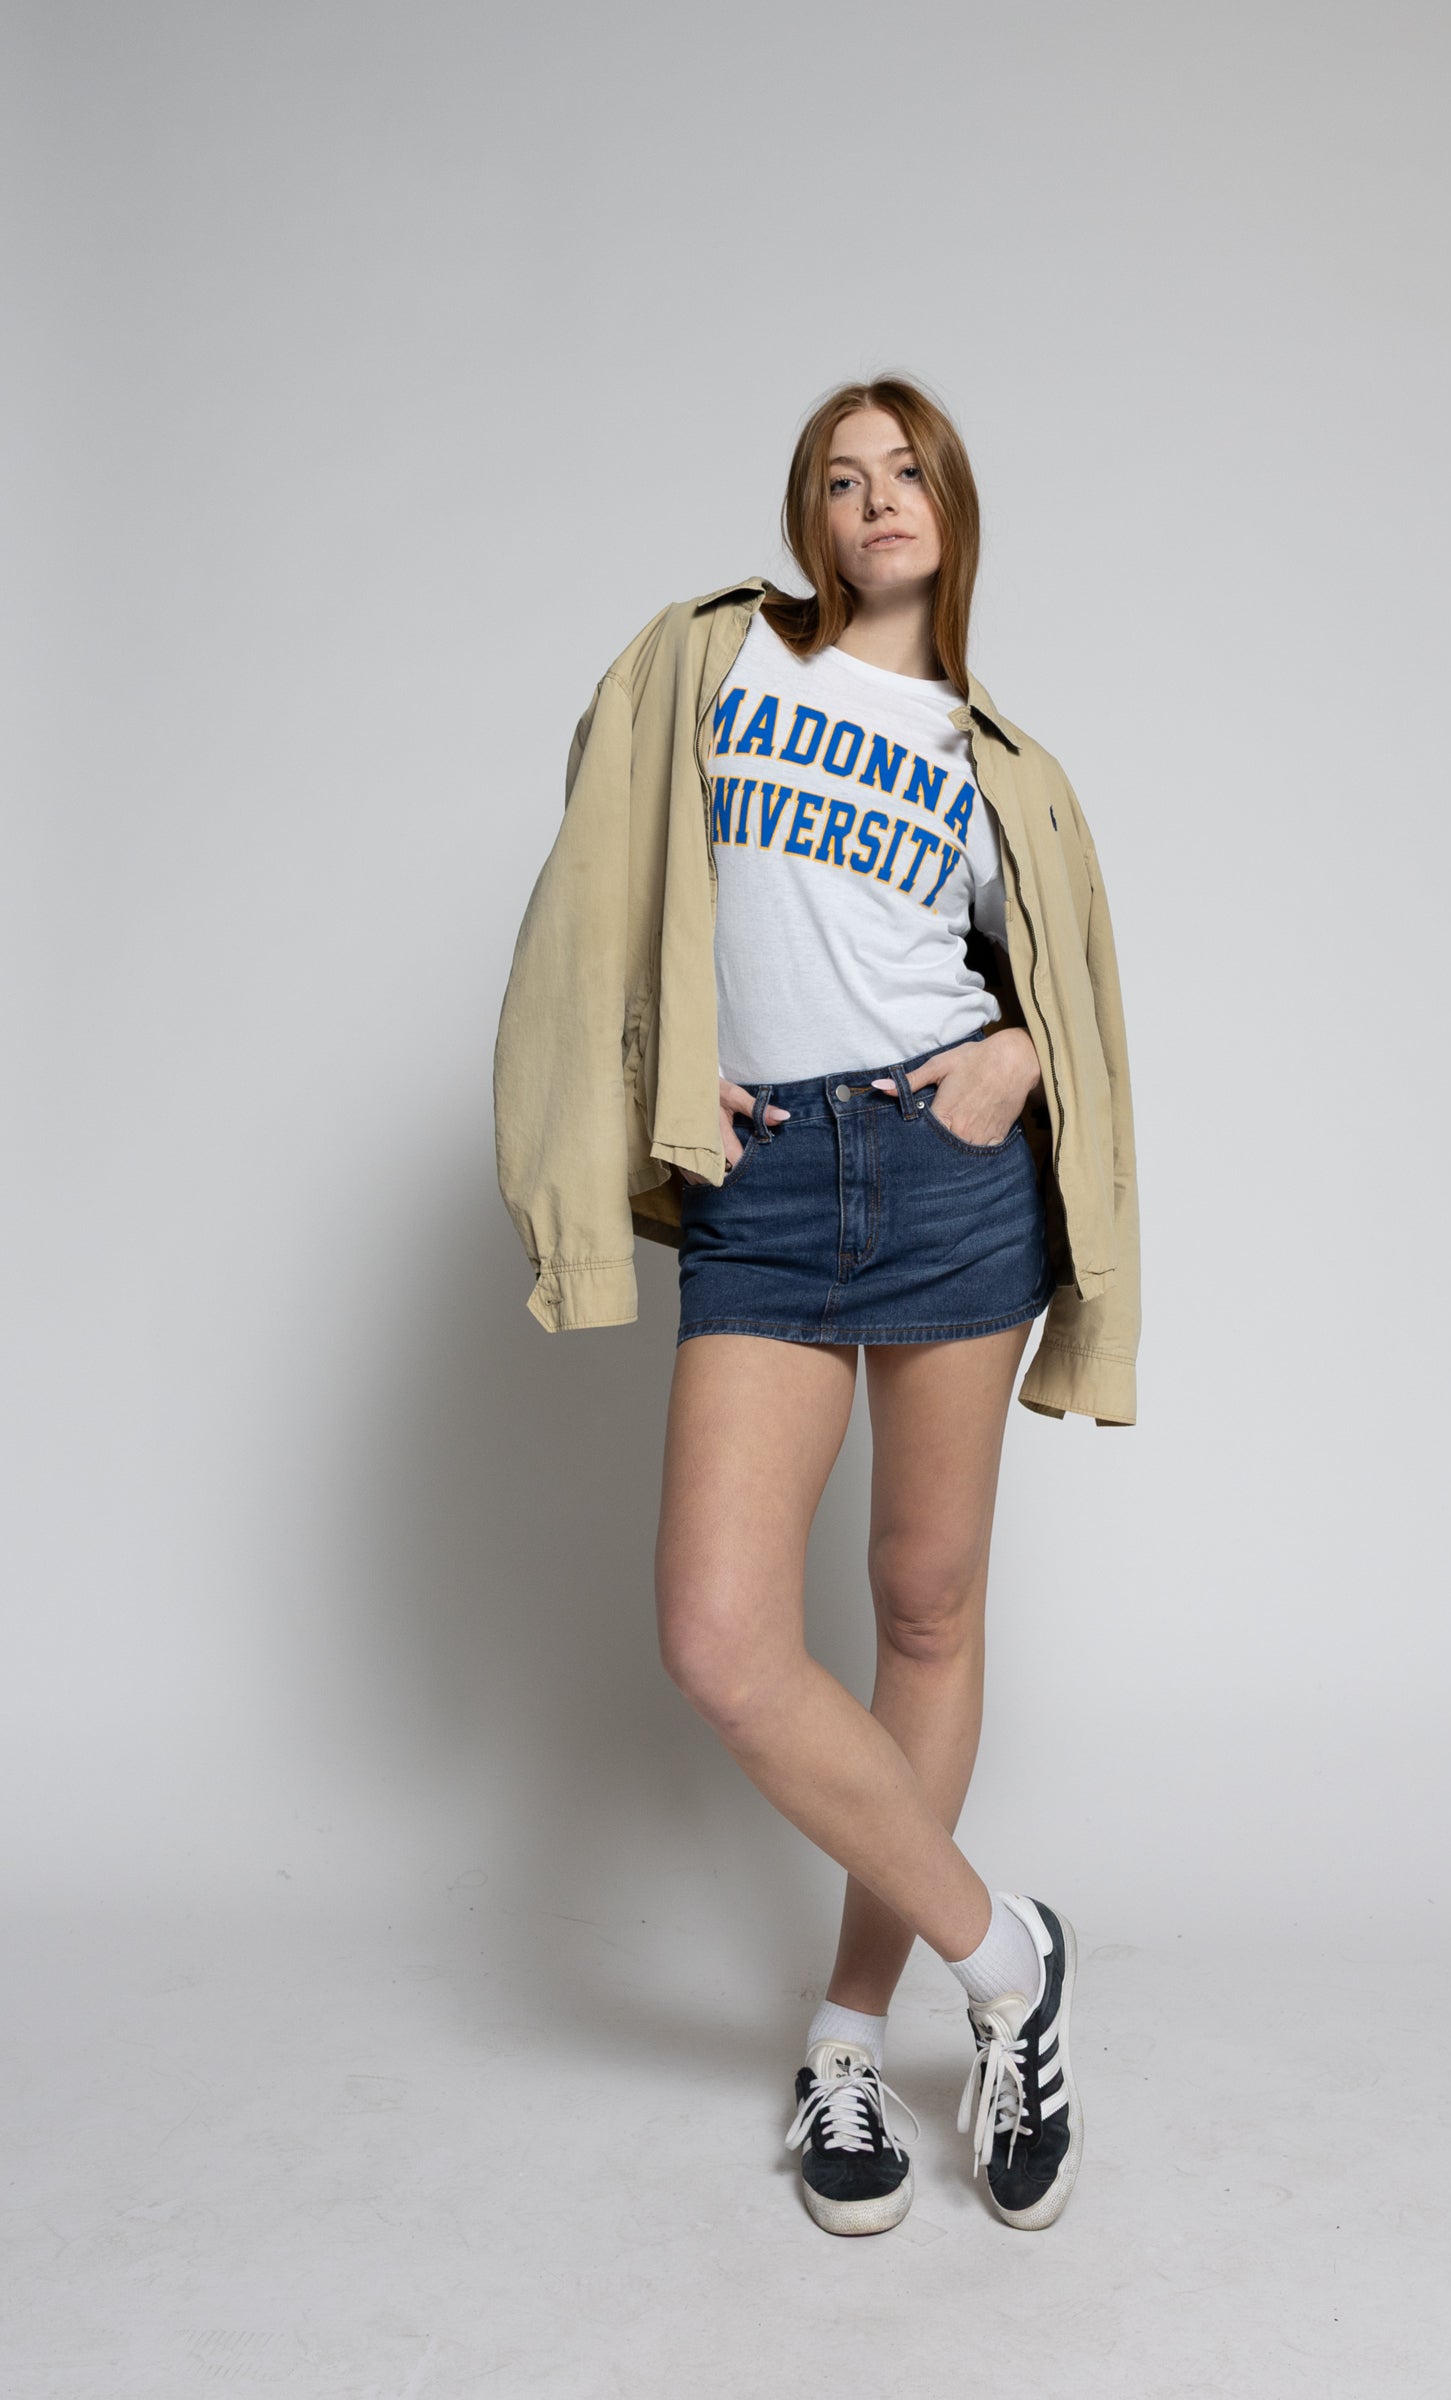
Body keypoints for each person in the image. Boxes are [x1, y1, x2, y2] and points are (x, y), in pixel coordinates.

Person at [492, 374, 1140, 2237]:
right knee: (721, 1639)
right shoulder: (713, 667)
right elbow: (608, 877)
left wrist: (1017, 1056)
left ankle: (849, 2041)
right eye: (841, 479)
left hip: (949, 1176)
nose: (875, 501)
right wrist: (652, 1065)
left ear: (953, 503)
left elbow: (1073, 992)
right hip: (766, 1183)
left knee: (923, 1609)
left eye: (905, 470)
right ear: (809, 518)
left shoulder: (1002, 760)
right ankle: (1006, 1960)